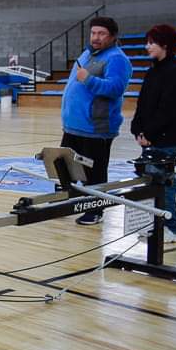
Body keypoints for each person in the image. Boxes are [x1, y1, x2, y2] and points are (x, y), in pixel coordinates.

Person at [60, 16, 132, 225]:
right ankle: (67, 202)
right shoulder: (87, 54)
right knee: (65, 168)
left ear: (112, 37)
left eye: (101, 34)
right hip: (73, 126)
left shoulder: (117, 59)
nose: (96, 37)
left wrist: (88, 79)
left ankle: (96, 210)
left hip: (96, 128)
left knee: (95, 172)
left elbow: (115, 88)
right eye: (93, 33)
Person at [130, 24, 176, 243]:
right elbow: (143, 104)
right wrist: (137, 129)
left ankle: (173, 228)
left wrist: (149, 132)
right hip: (150, 137)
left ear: (165, 44)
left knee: (164, 183)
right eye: (147, 42)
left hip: (166, 137)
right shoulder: (153, 71)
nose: (147, 46)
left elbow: (169, 109)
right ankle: (155, 224)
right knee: (150, 182)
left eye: (152, 42)